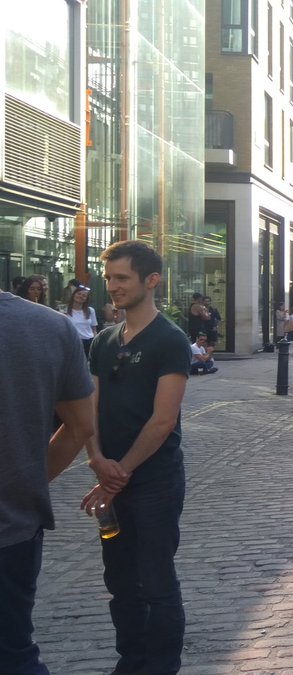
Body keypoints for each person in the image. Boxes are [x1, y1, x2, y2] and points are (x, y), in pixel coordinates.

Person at [81, 240, 191, 675]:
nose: (112, 286)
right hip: (112, 480)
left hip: (155, 483)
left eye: (121, 278)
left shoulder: (170, 340)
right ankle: (131, 661)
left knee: (156, 580)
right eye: (108, 278)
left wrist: (118, 471)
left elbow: (162, 421)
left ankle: (161, 667)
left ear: (151, 281)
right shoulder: (104, 340)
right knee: (119, 581)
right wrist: (95, 459)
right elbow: (90, 406)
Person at [0, 286, 95, 675]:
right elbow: (81, 426)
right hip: (13, 526)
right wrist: (28, 480)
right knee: (13, 652)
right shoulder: (48, 325)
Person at [63, 284, 99, 354]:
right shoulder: (64, 310)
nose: (81, 296)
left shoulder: (90, 310)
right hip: (71, 342)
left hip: (88, 342)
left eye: (84, 295)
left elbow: (94, 329)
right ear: (73, 295)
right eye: (79, 294)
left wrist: (95, 342)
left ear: (86, 299)